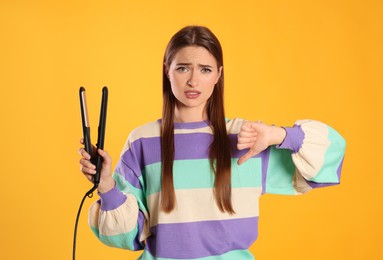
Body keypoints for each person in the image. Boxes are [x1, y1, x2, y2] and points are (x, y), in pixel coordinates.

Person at [78, 25, 346, 259]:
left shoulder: (248, 138)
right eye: (183, 68)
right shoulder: (142, 141)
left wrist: (278, 135)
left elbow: (329, 160)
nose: (193, 80)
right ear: (167, 71)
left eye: (205, 70)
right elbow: (130, 236)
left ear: (218, 75)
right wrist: (106, 185)